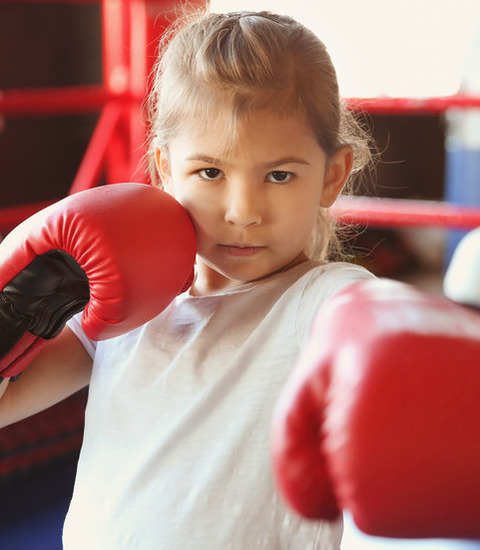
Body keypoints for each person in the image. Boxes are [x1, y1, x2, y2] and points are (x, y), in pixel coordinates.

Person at [0, 9, 375, 549]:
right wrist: (15, 309)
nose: (243, 211)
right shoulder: (125, 310)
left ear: (332, 175)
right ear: (164, 167)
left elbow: (392, 329)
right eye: (211, 172)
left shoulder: (322, 301)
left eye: (279, 174)